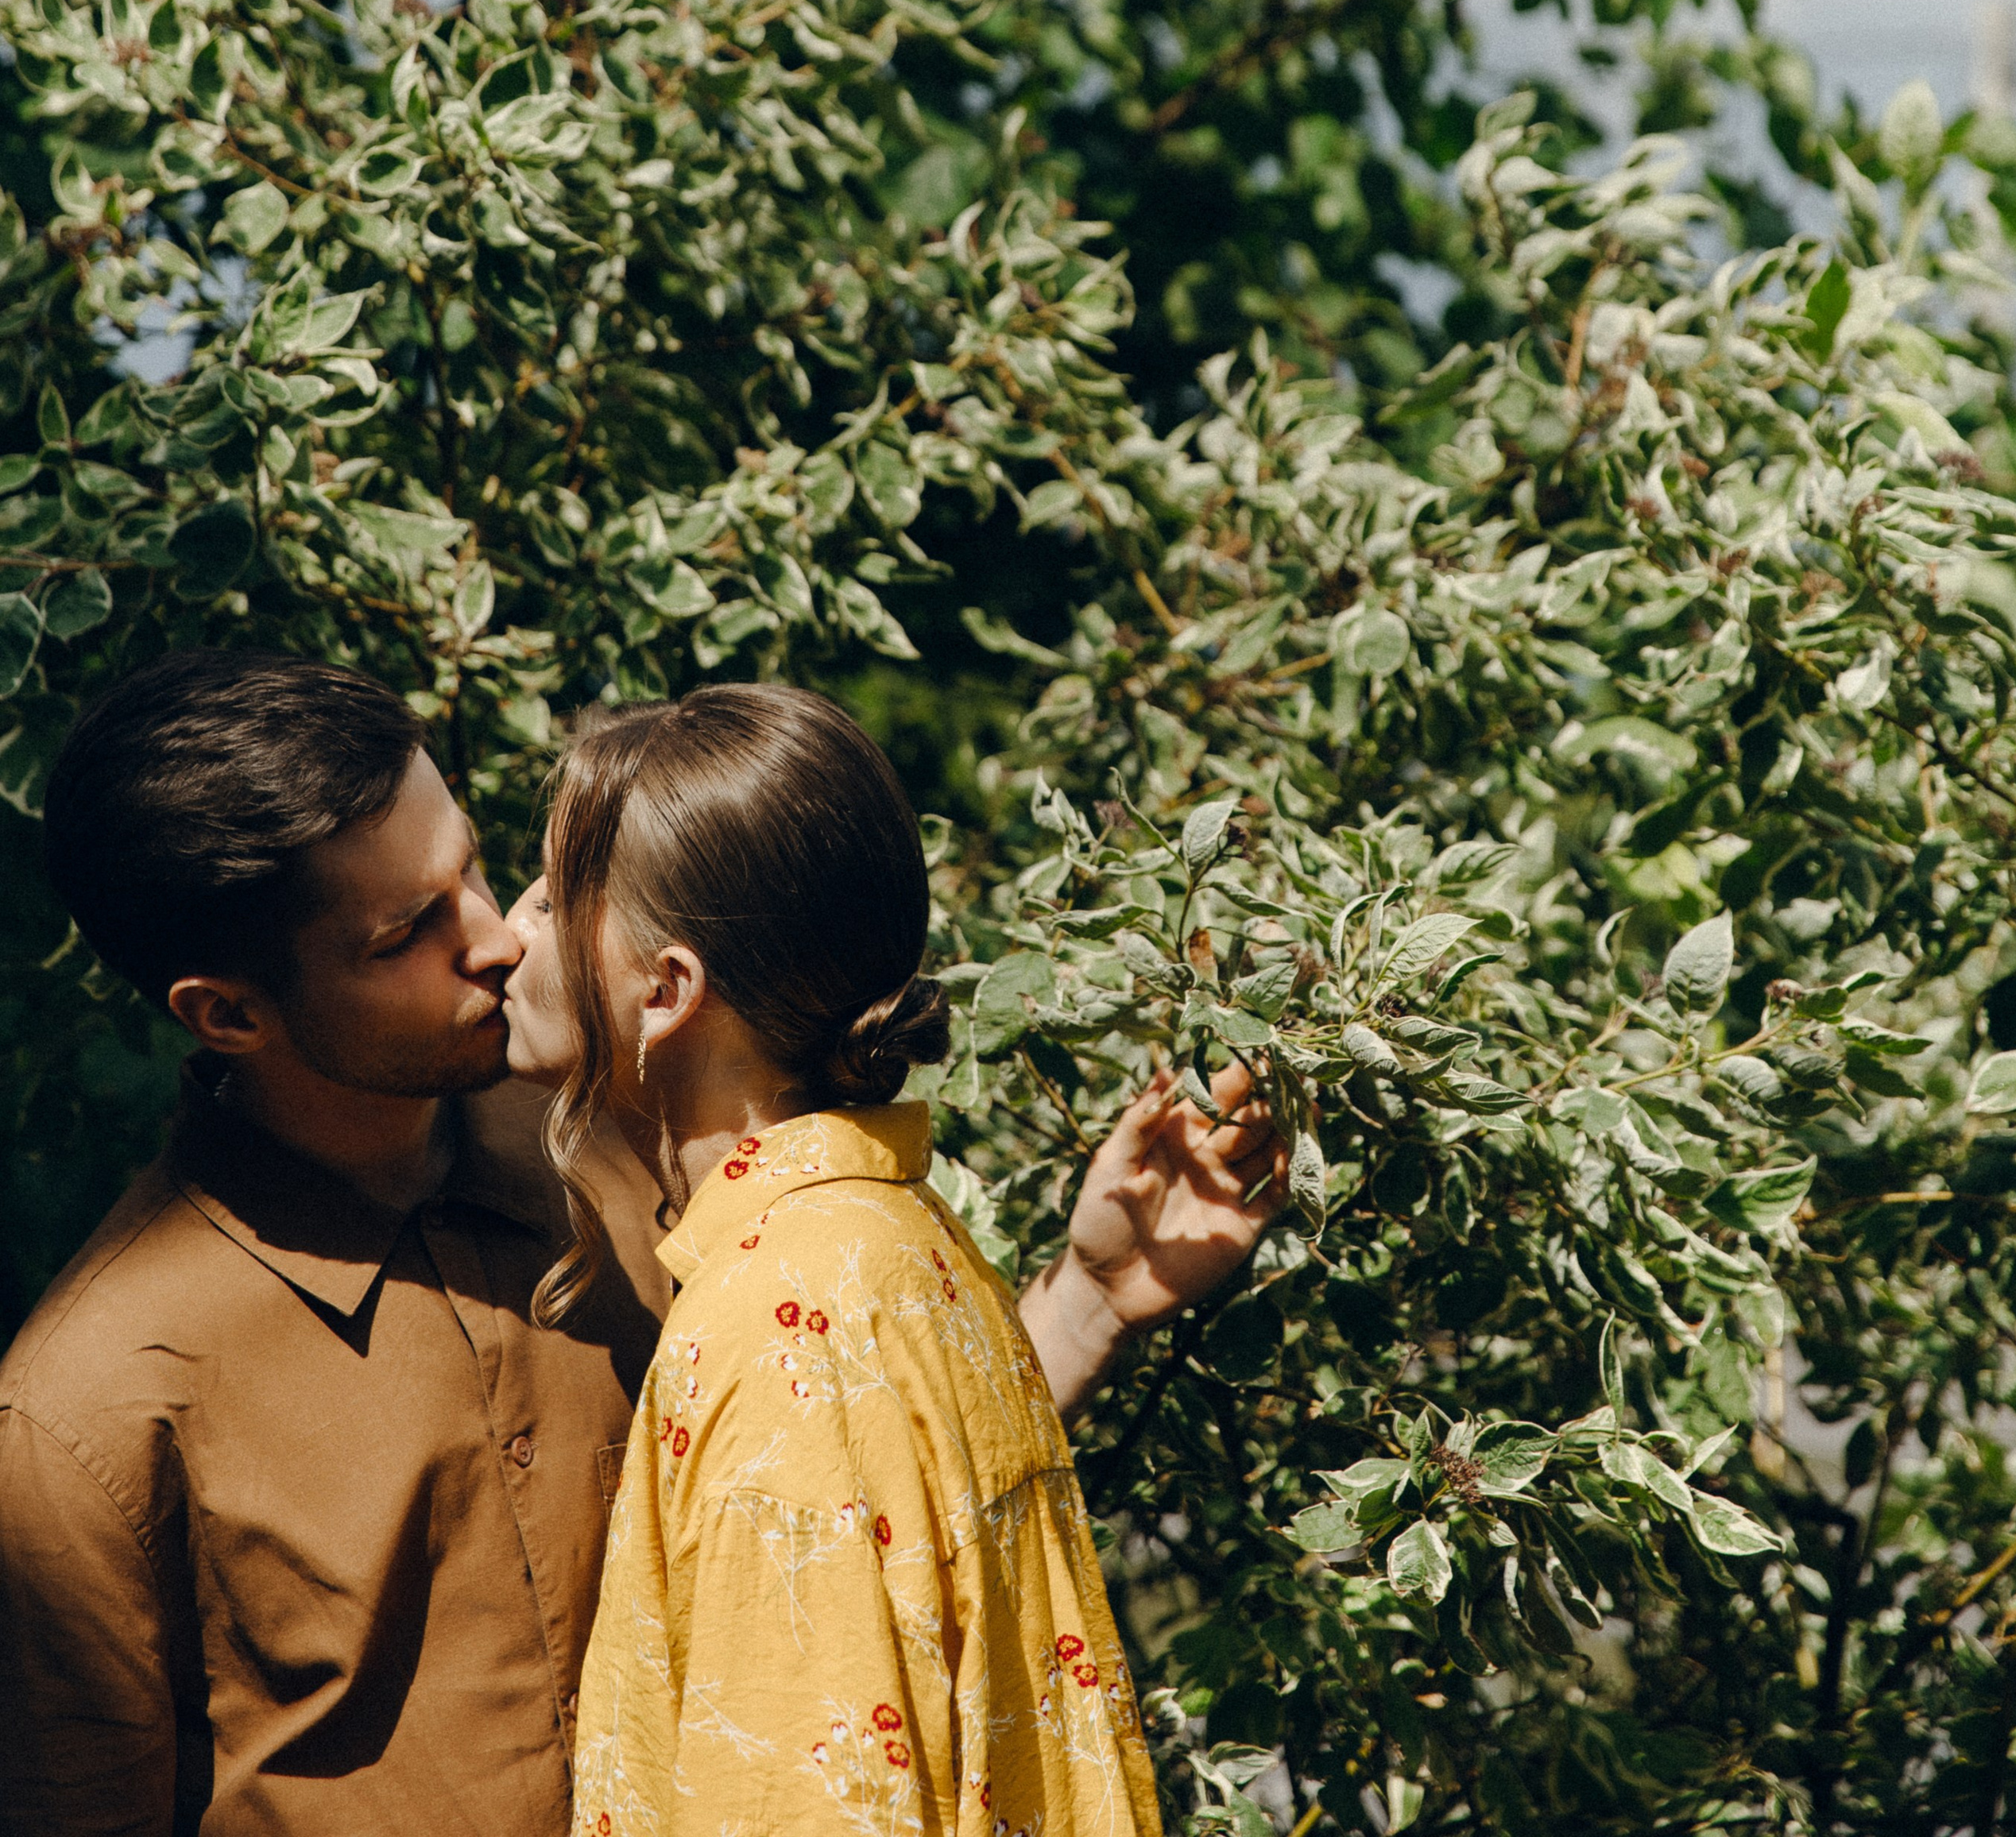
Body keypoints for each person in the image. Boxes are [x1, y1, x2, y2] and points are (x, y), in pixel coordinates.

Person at [0, 650, 1284, 1837]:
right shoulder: (86, 1419)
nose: (498, 938)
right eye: (408, 934)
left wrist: (1090, 1305)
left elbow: (833, 1517)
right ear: (226, 1013)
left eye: (475, 868)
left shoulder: (608, 1146)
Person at [501, 682, 1190, 1837]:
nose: (506, 934)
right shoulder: (892, 1237)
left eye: (548, 895)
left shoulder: (778, 1325)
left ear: (664, 993)